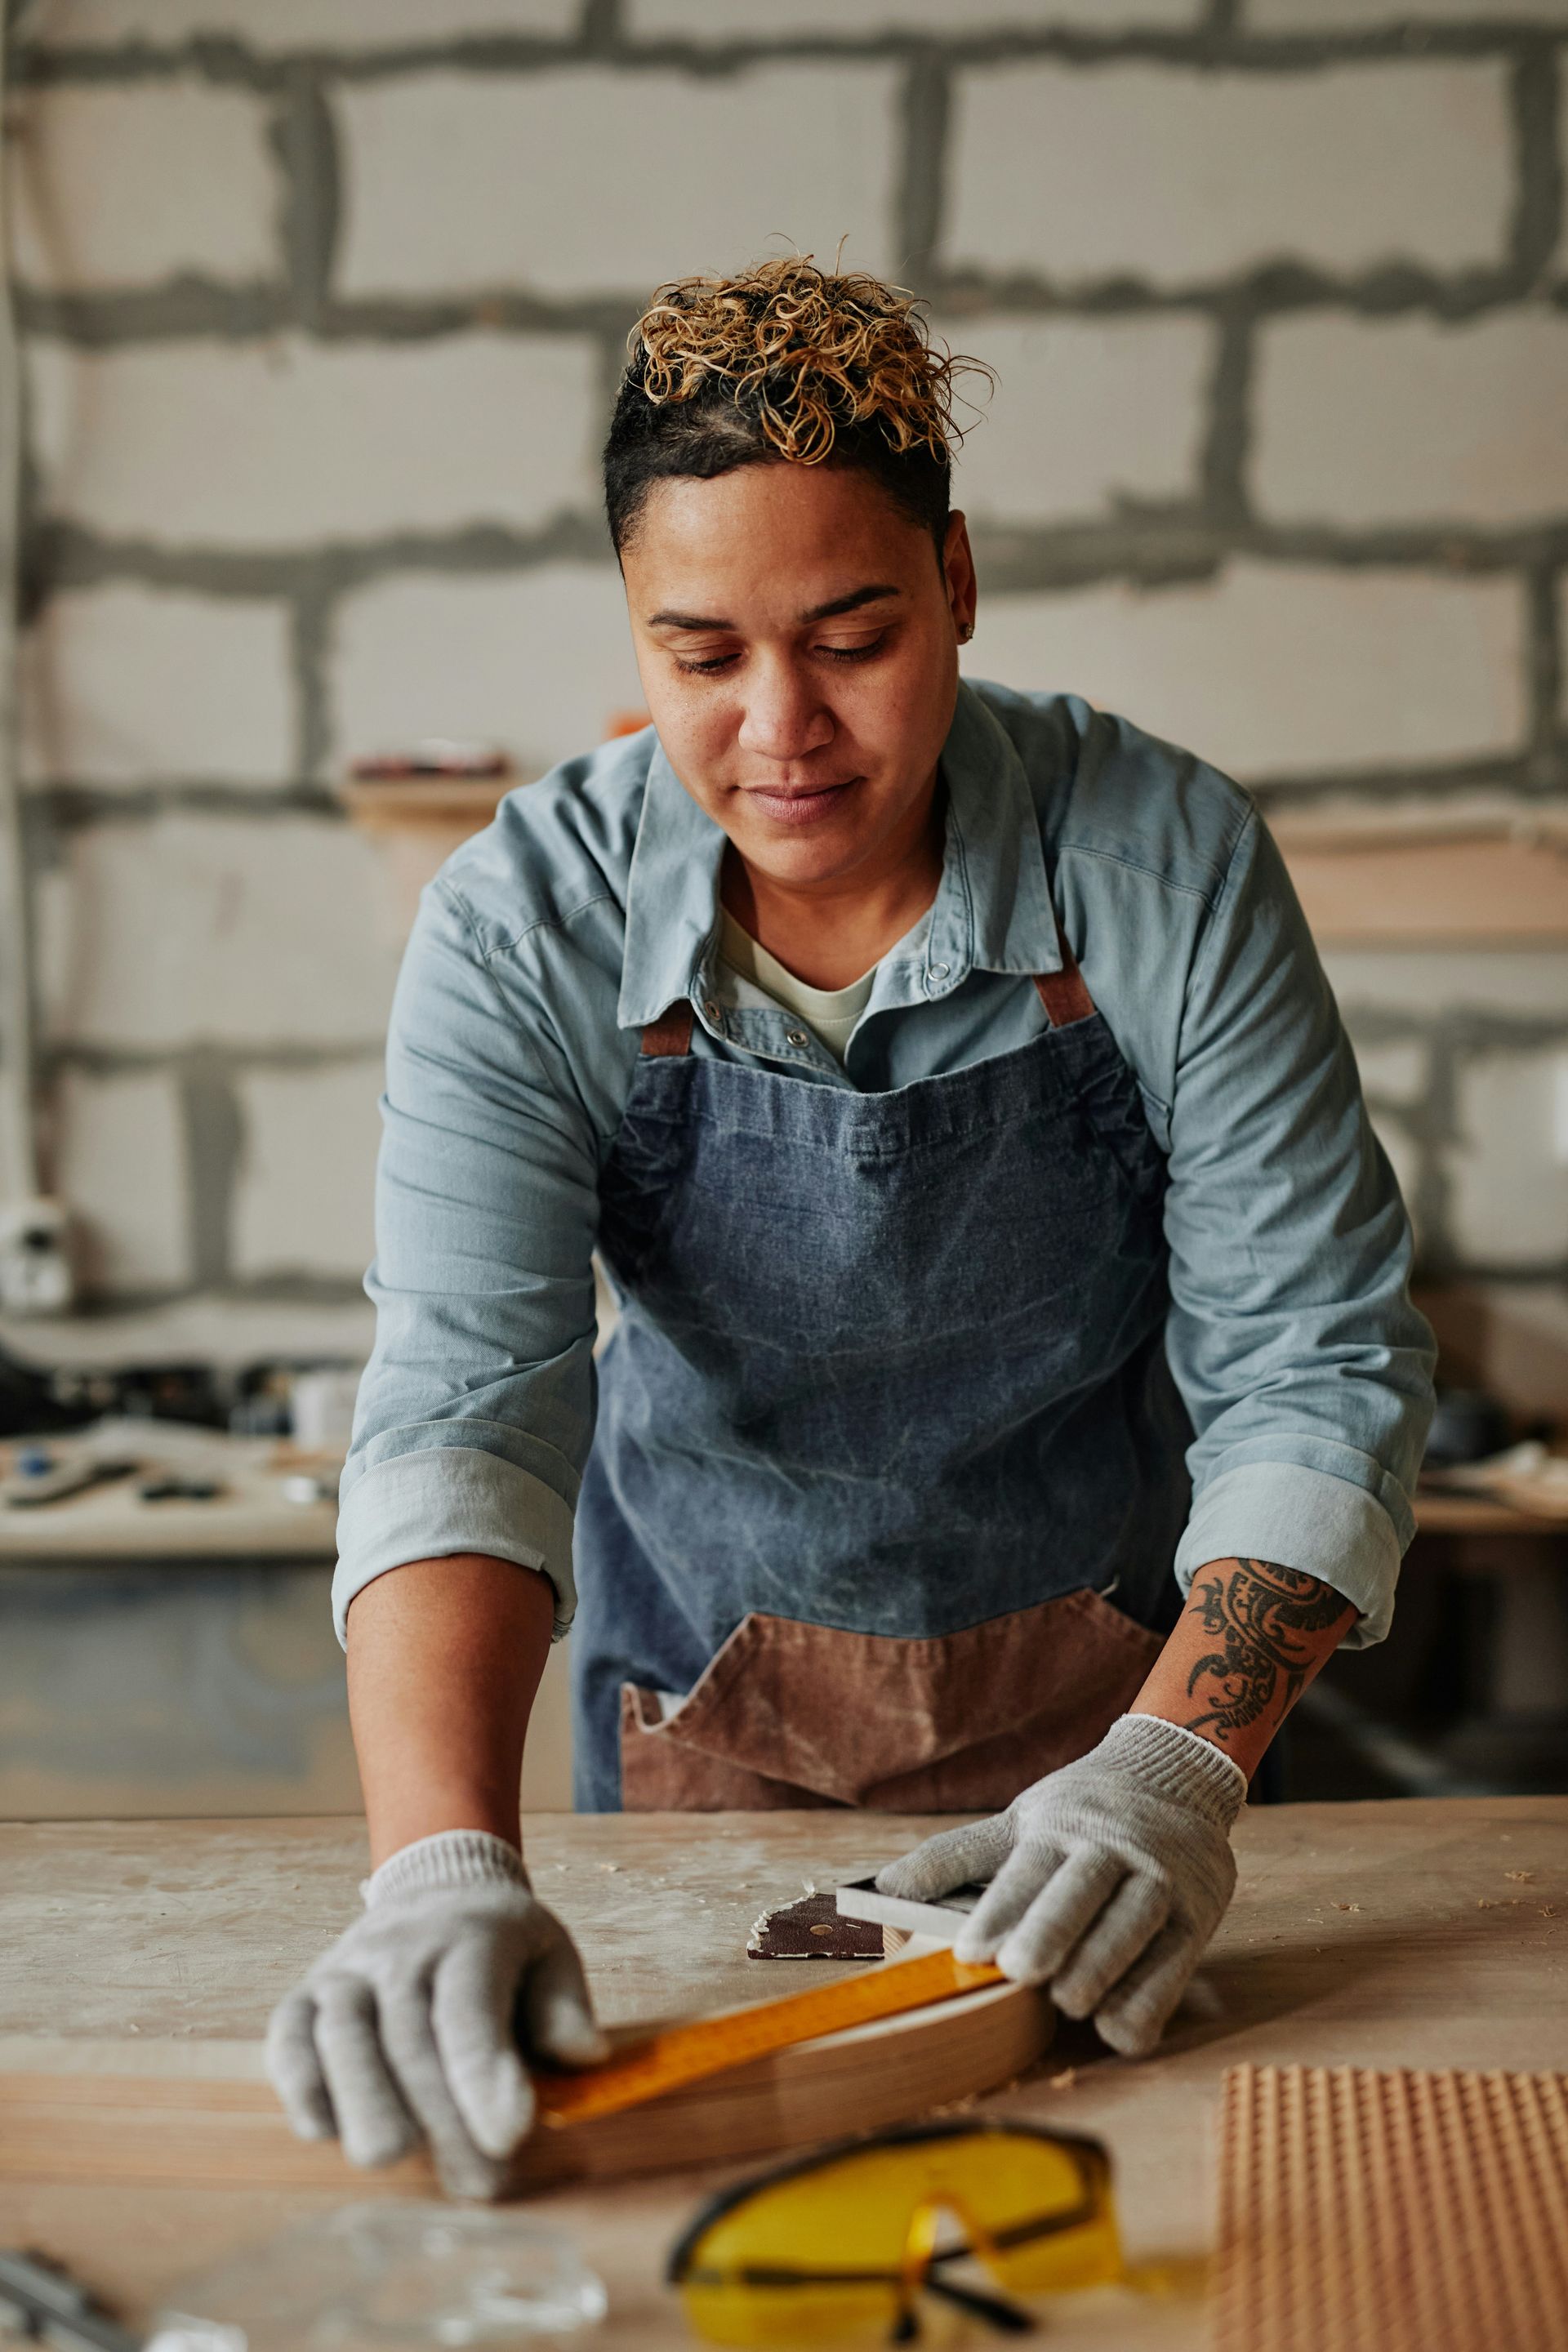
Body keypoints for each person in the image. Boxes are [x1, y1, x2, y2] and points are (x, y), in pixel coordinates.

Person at [268, 256, 1435, 2198]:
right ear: (635, 634)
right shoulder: (524, 924)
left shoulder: (1160, 864)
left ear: (958, 587)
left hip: (1122, 1741)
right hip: (703, 1753)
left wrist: (1173, 1777)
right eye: (702, 655)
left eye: (853, 634)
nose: (780, 730)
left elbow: (1315, 1362)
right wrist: (437, 1870)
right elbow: (466, 1413)